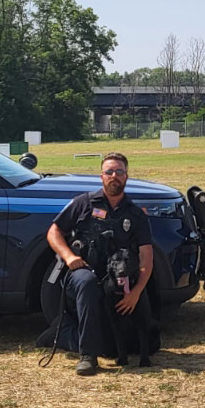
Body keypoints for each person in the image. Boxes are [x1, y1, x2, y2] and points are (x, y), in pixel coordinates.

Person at [45, 152, 154, 375]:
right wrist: (69, 257)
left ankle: (68, 335)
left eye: (119, 172)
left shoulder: (136, 214)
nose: (114, 176)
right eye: (109, 172)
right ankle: (87, 356)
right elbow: (53, 231)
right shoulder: (83, 203)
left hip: (117, 280)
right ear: (101, 176)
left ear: (126, 176)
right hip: (85, 273)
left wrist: (136, 293)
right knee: (87, 281)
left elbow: (146, 256)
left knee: (115, 348)